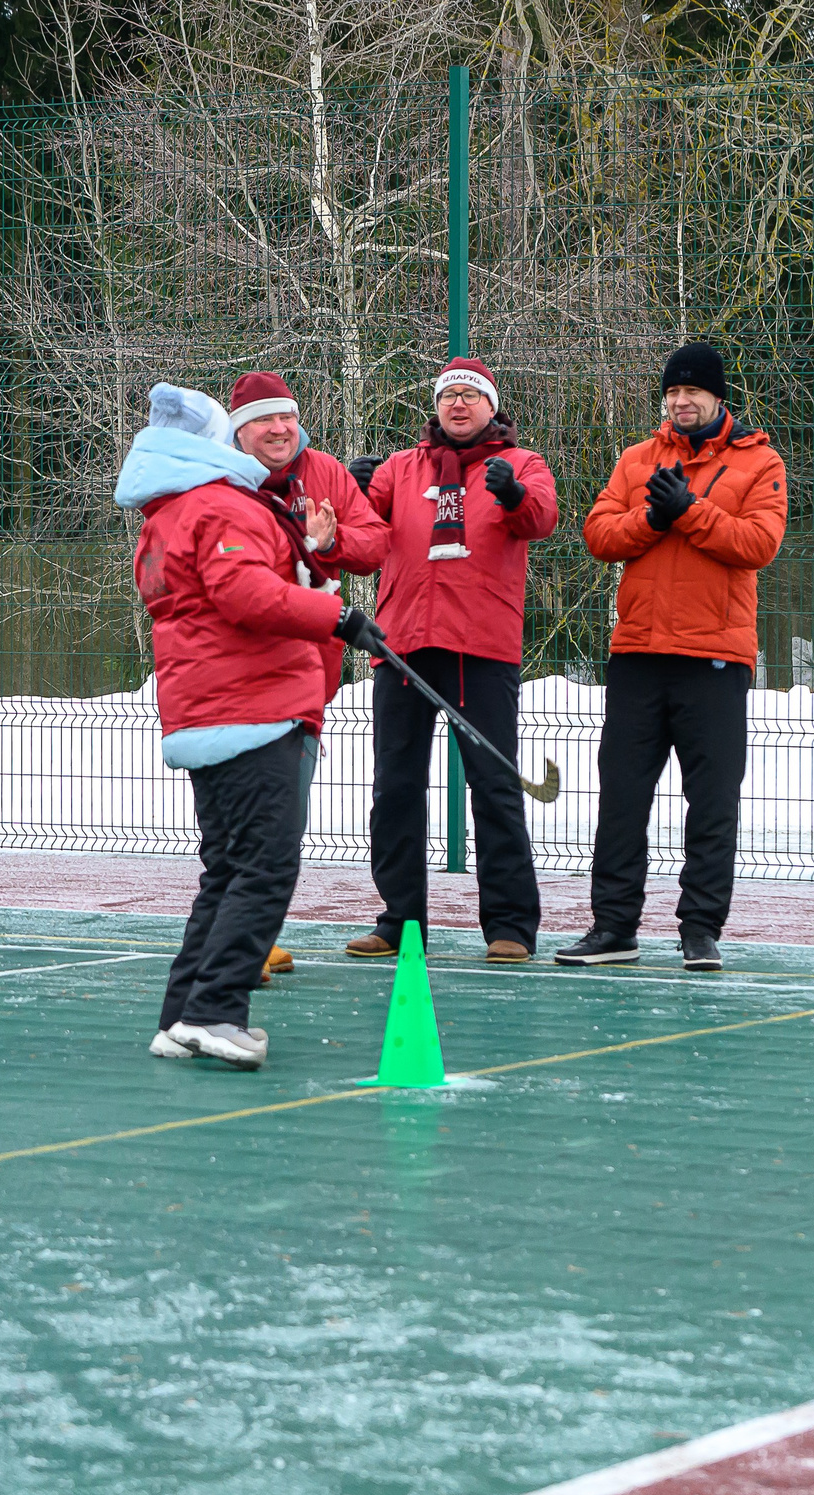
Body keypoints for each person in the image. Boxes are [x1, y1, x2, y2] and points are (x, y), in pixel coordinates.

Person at [116, 383, 381, 1069]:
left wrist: (310, 574)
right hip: (250, 706)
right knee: (263, 866)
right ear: (217, 441)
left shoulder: (176, 507)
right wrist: (336, 616)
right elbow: (243, 591)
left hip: (215, 706)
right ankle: (213, 1010)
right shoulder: (217, 502)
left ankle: (183, 1012)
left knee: (227, 868)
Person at [560, 341, 787, 972]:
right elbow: (599, 535)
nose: (681, 402)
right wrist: (653, 520)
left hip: (715, 656)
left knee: (712, 799)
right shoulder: (637, 459)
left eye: (692, 392)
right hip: (638, 651)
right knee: (622, 797)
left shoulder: (762, 462)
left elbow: (758, 544)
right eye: (672, 393)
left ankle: (700, 930)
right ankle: (613, 928)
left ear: (719, 398)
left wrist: (689, 511)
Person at [344, 357, 557, 964]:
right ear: (435, 407)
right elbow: (357, 536)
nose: (458, 405)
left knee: (494, 785)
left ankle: (511, 926)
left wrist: (514, 497)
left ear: (492, 407)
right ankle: (400, 920)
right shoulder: (400, 470)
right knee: (396, 787)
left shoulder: (520, 463)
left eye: (470, 396)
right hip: (402, 646)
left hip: (480, 646)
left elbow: (541, 515)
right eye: (448, 397)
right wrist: (356, 490)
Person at [223, 371, 392, 979]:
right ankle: (238, 938)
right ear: (238, 433)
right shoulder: (221, 482)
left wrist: (330, 539)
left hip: (306, 674)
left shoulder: (324, 473)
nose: (279, 429)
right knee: (242, 810)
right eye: (264, 420)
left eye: (286, 417)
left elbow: (374, 542)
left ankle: (255, 934)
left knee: (287, 806)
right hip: (237, 673)